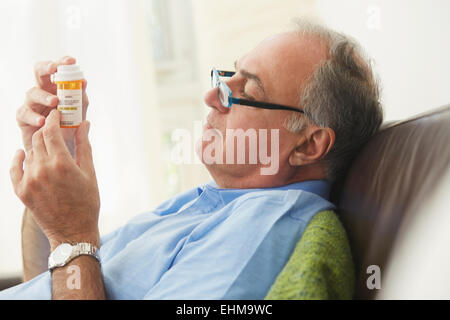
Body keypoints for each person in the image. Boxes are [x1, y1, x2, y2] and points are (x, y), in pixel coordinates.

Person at [0, 20, 383, 299]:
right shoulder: (211, 204)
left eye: (247, 88)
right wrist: (58, 161)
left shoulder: (263, 225)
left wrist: (74, 234)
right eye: (228, 76)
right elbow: (46, 277)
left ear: (308, 145)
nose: (211, 96)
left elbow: (69, 254)